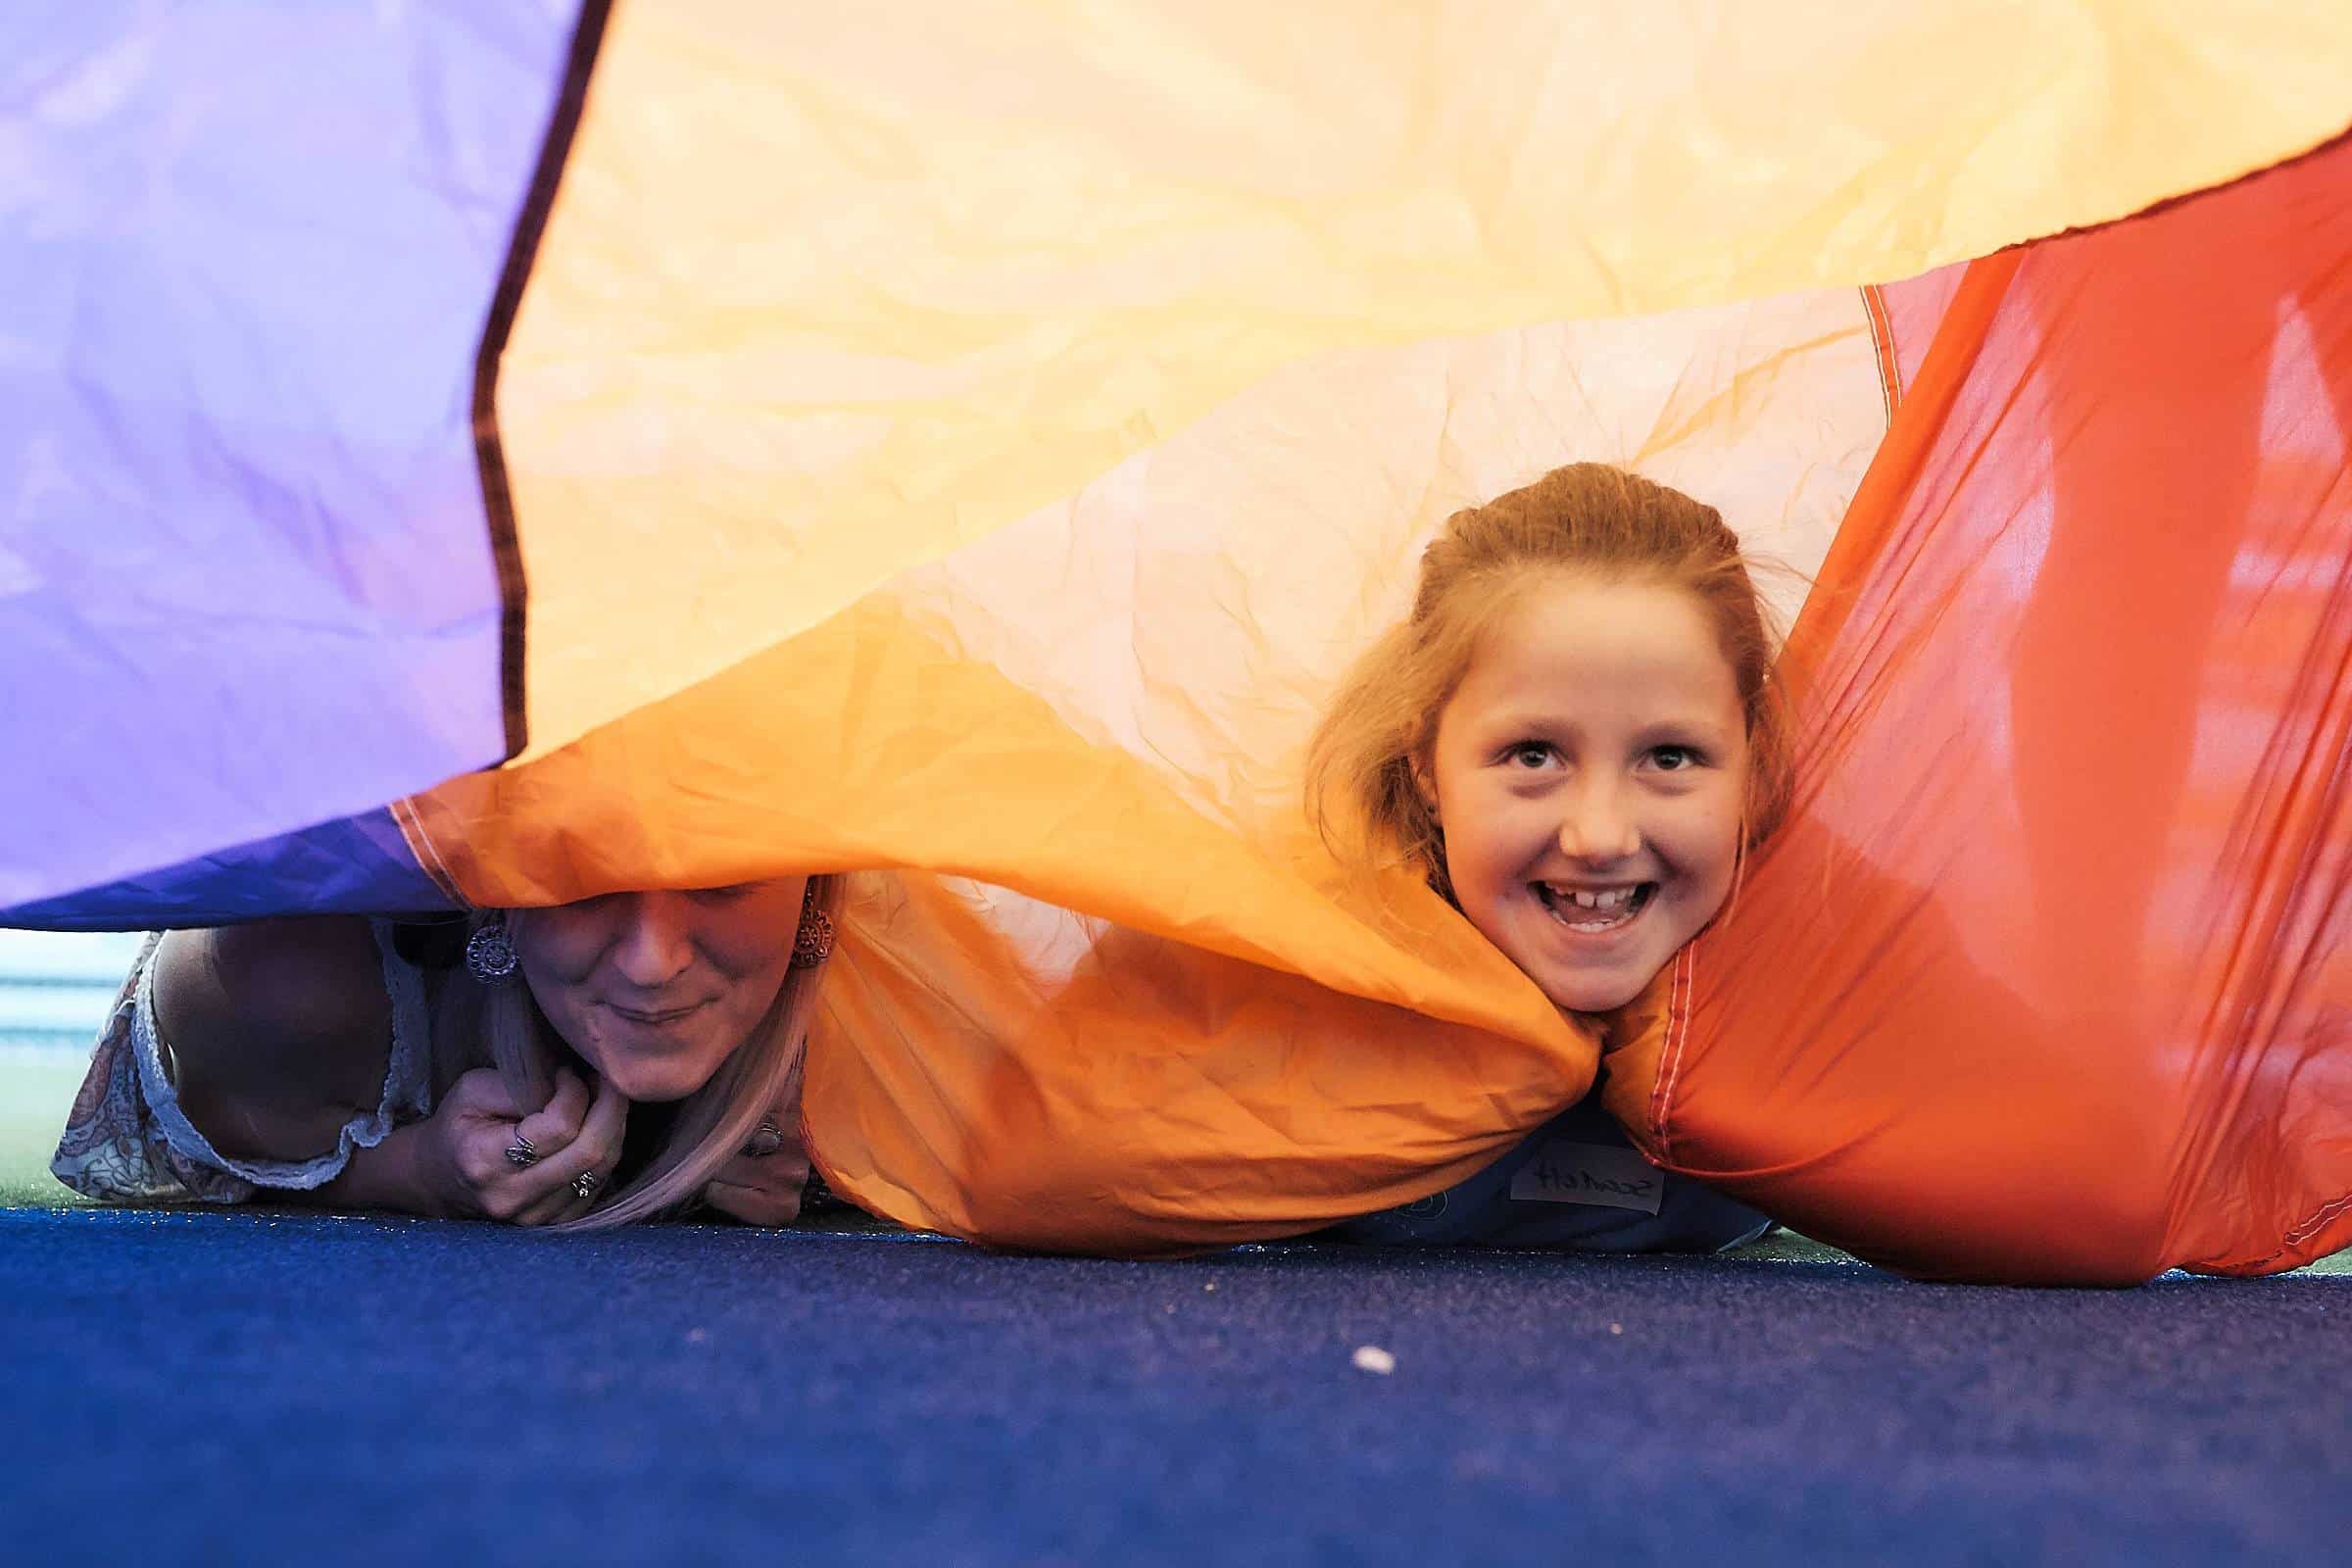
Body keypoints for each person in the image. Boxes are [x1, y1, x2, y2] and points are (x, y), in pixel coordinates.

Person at [1302, 462, 1786, 1250]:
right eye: (1533, 756)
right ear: (1425, 764)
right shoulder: (1291, 992)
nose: (1600, 837)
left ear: (1754, 768)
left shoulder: (1831, 1014)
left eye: (1669, 758)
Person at [52, 877, 843, 1229]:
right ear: (489, 884)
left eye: (723, 879)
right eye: (581, 878)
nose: (651, 960)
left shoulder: (917, 980)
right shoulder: (284, 975)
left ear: (820, 882)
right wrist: (408, 1172)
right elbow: (190, 1160)